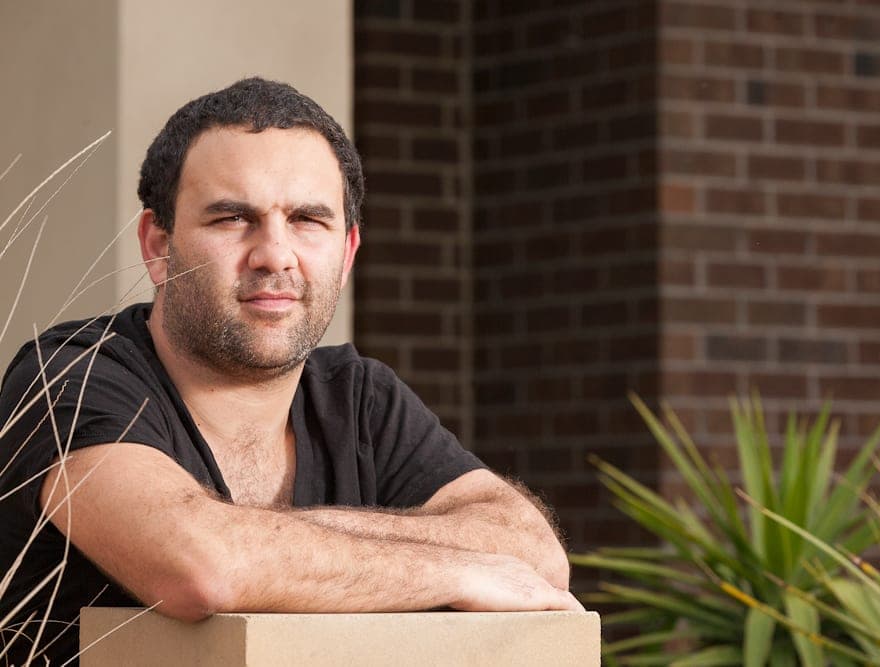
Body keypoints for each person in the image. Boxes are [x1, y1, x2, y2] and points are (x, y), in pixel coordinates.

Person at [0, 77, 581, 665]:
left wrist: (275, 547)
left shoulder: (359, 399)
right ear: (157, 244)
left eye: (308, 219)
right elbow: (201, 567)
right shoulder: (67, 379)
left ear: (348, 251)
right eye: (231, 218)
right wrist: (457, 568)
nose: (275, 254)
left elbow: (535, 554)